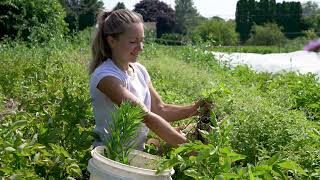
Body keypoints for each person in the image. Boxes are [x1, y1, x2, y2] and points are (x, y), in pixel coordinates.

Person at [89, 9, 202, 151]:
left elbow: (160, 109)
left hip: (136, 154)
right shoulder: (106, 77)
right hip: (111, 156)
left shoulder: (139, 70)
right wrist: (191, 149)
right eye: (132, 42)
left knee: (190, 129)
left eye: (142, 41)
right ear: (112, 41)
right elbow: (146, 117)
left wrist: (195, 109)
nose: (140, 48)